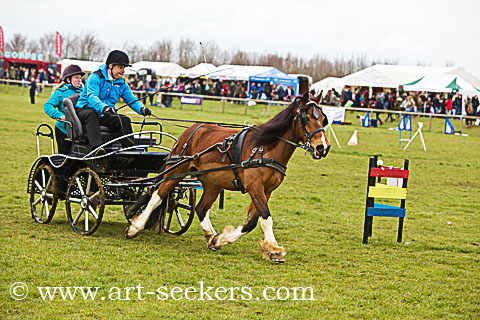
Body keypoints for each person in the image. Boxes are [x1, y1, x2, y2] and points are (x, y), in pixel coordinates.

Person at [75, 50, 151, 154]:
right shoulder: (95, 77)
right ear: (110, 66)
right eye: (120, 67)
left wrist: (141, 109)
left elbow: (131, 99)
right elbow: (92, 97)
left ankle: (130, 152)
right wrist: (104, 107)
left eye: (124, 68)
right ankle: (97, 149)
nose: (123, 71)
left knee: (124, 120)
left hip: (104, 113)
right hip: (85, 110)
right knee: (92, 114)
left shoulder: (121, 82)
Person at [43, 64, 85, 154]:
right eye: (76, 78)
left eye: (80, 78)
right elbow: (47, 106)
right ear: (68, 79)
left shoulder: (84, 92)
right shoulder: (60, 92)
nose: (79, 80)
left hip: (80, 129)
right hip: (64, 129)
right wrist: (60, 115)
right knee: (65, 156)